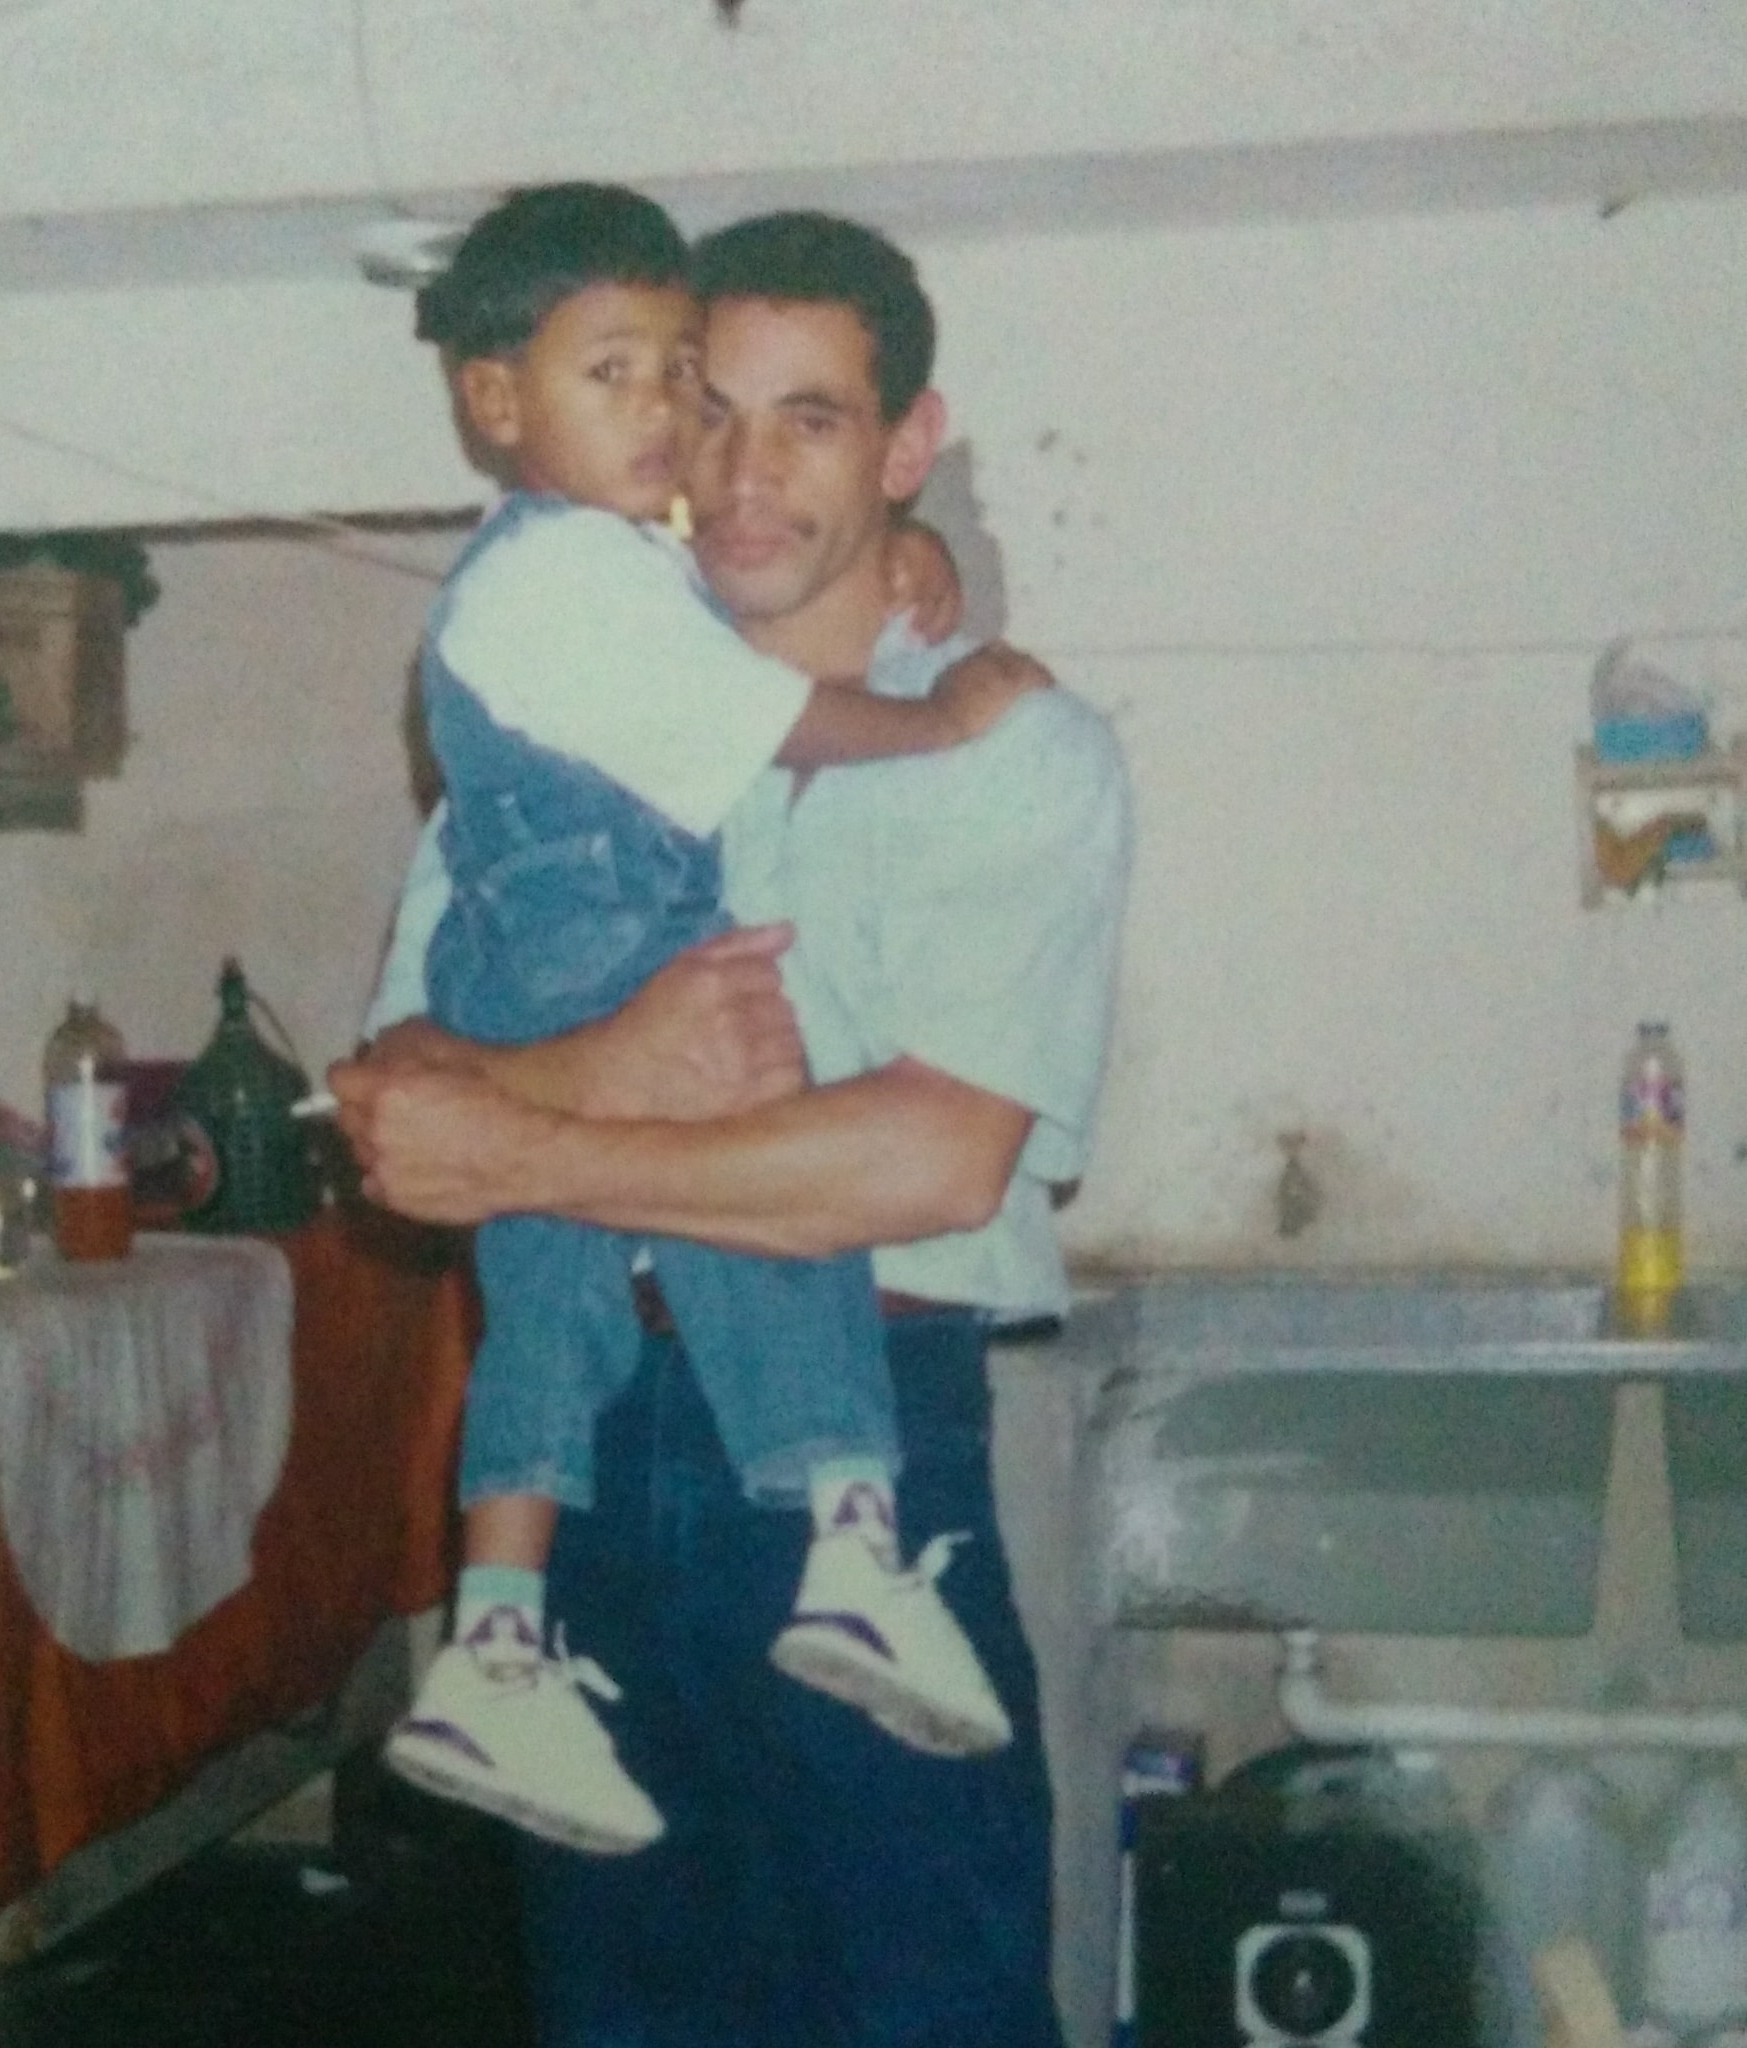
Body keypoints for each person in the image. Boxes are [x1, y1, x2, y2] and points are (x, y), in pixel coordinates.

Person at [332, 209, 1132, 2048]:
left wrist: (538, 1144)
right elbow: (399, 1100)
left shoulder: (1011, 749)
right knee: (628, 2011)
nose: (744, 468)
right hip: (587, 1449)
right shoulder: (547, 726)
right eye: (710, 407)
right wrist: (606, 1058)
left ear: (908, 447)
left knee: (922, 2013)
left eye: (812, 420)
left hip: (870, 1441)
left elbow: (932, 1160)